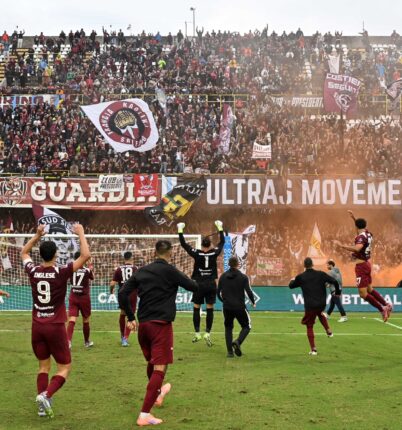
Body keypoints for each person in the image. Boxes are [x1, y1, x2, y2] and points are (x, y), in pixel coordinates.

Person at [118, 240, 198, 427]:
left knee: (153, 364)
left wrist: (130, 317)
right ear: (170, 252)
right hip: (160, 326)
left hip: (143, 326)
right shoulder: (171, 271)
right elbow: (193, 286)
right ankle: (144, 414)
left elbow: (122, 293)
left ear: (155, 252)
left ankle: (158, 392)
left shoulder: (142, 271)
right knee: (160, 368)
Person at [21, 223, 90, 418]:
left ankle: (42, 407)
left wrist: (37, 235)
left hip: (37, 326)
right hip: (56, 326)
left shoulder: (33, 270)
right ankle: (46, 395)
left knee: (43, 366)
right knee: (64, 367)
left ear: (41, 255)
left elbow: (23, 253)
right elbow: (85, 255)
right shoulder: (61, 272)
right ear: (55, 255)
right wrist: (81, 233)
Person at [334, 211, 392, 321]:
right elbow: (359, 231)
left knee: (363, 294)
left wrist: (341, 246)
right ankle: (386, 304)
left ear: (357, 226)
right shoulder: (368, 234)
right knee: (370, 289)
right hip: (366, 264)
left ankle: (382, 309)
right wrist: (354, 218)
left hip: (361, 266)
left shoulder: (361, 237)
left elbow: (357, 248)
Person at [177, 220, 225, 346]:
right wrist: (220, 228)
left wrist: (180, 230)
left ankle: (197, 333)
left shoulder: (196, 253)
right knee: (210, 309)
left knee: (196, 308)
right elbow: (222, 242)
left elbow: (183, 244)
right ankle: (207, 333)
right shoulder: (214, 252)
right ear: (210, 245)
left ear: (202, 245)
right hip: (211, 284)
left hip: (198, 284)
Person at [289, 257, 340, 355]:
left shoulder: (301, 277)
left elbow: (291, 286)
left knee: (309, 326)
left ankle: (313, 349)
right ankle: (329, 331)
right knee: (320, 313)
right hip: (321, 304)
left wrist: (293, 279)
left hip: (310, 305)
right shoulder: (320, 274)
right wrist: (337, 292)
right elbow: (334, 281)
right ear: (312, 264)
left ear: (304, 266)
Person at [217, 256, 256, 358]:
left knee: (228, 328)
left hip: (227, 307)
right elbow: (249, 291)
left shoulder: (223, 277)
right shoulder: (243, 277)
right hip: (239, 307)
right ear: (238, 264)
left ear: (228, 264)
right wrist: (253, 302)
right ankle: (238, 342)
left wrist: (223, 301)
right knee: (247, 326)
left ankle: (230, 352)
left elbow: (218, 292)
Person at [66, 252, 94, 349]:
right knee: (86, 320)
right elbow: (92, 277)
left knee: (72, 319)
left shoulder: (70, 269)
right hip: (84, 298)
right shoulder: (86, 270)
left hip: (73, 296)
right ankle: (86, 342)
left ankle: (68, 342)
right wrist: (90, 266)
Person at [110, 251, 138, 346]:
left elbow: (112, 283)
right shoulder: (135, 268)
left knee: (122, 313)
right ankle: (125, 339)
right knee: (131, 316)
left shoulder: (119, 269)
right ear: (131, 258)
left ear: (124, 259)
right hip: (132, 294)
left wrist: (111, 291)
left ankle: (122, 336)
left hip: (122, 294)